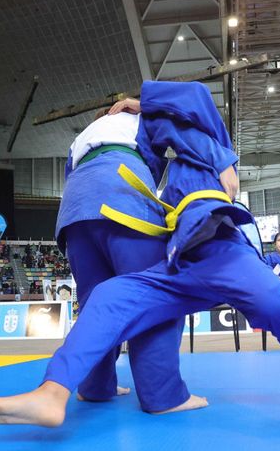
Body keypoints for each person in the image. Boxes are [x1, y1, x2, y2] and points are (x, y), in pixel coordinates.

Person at [0, 81, 280, 427]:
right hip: (177, 260)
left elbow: (196, 100)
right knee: (109, 297)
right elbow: (184, 116)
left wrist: (146, 105)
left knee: (272, 301)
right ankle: (52, 393)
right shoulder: (170, 157)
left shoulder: (209, 143)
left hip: (218, 250)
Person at [51, 105, 195, 413]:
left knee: (95, 303)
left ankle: (95, 387)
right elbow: (187, 121)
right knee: (153, 295)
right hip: (122, 193)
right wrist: (147, 104)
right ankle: (163, 396)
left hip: (75, 209)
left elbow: (70, 174)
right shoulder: (142, 119)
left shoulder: (84, 136)